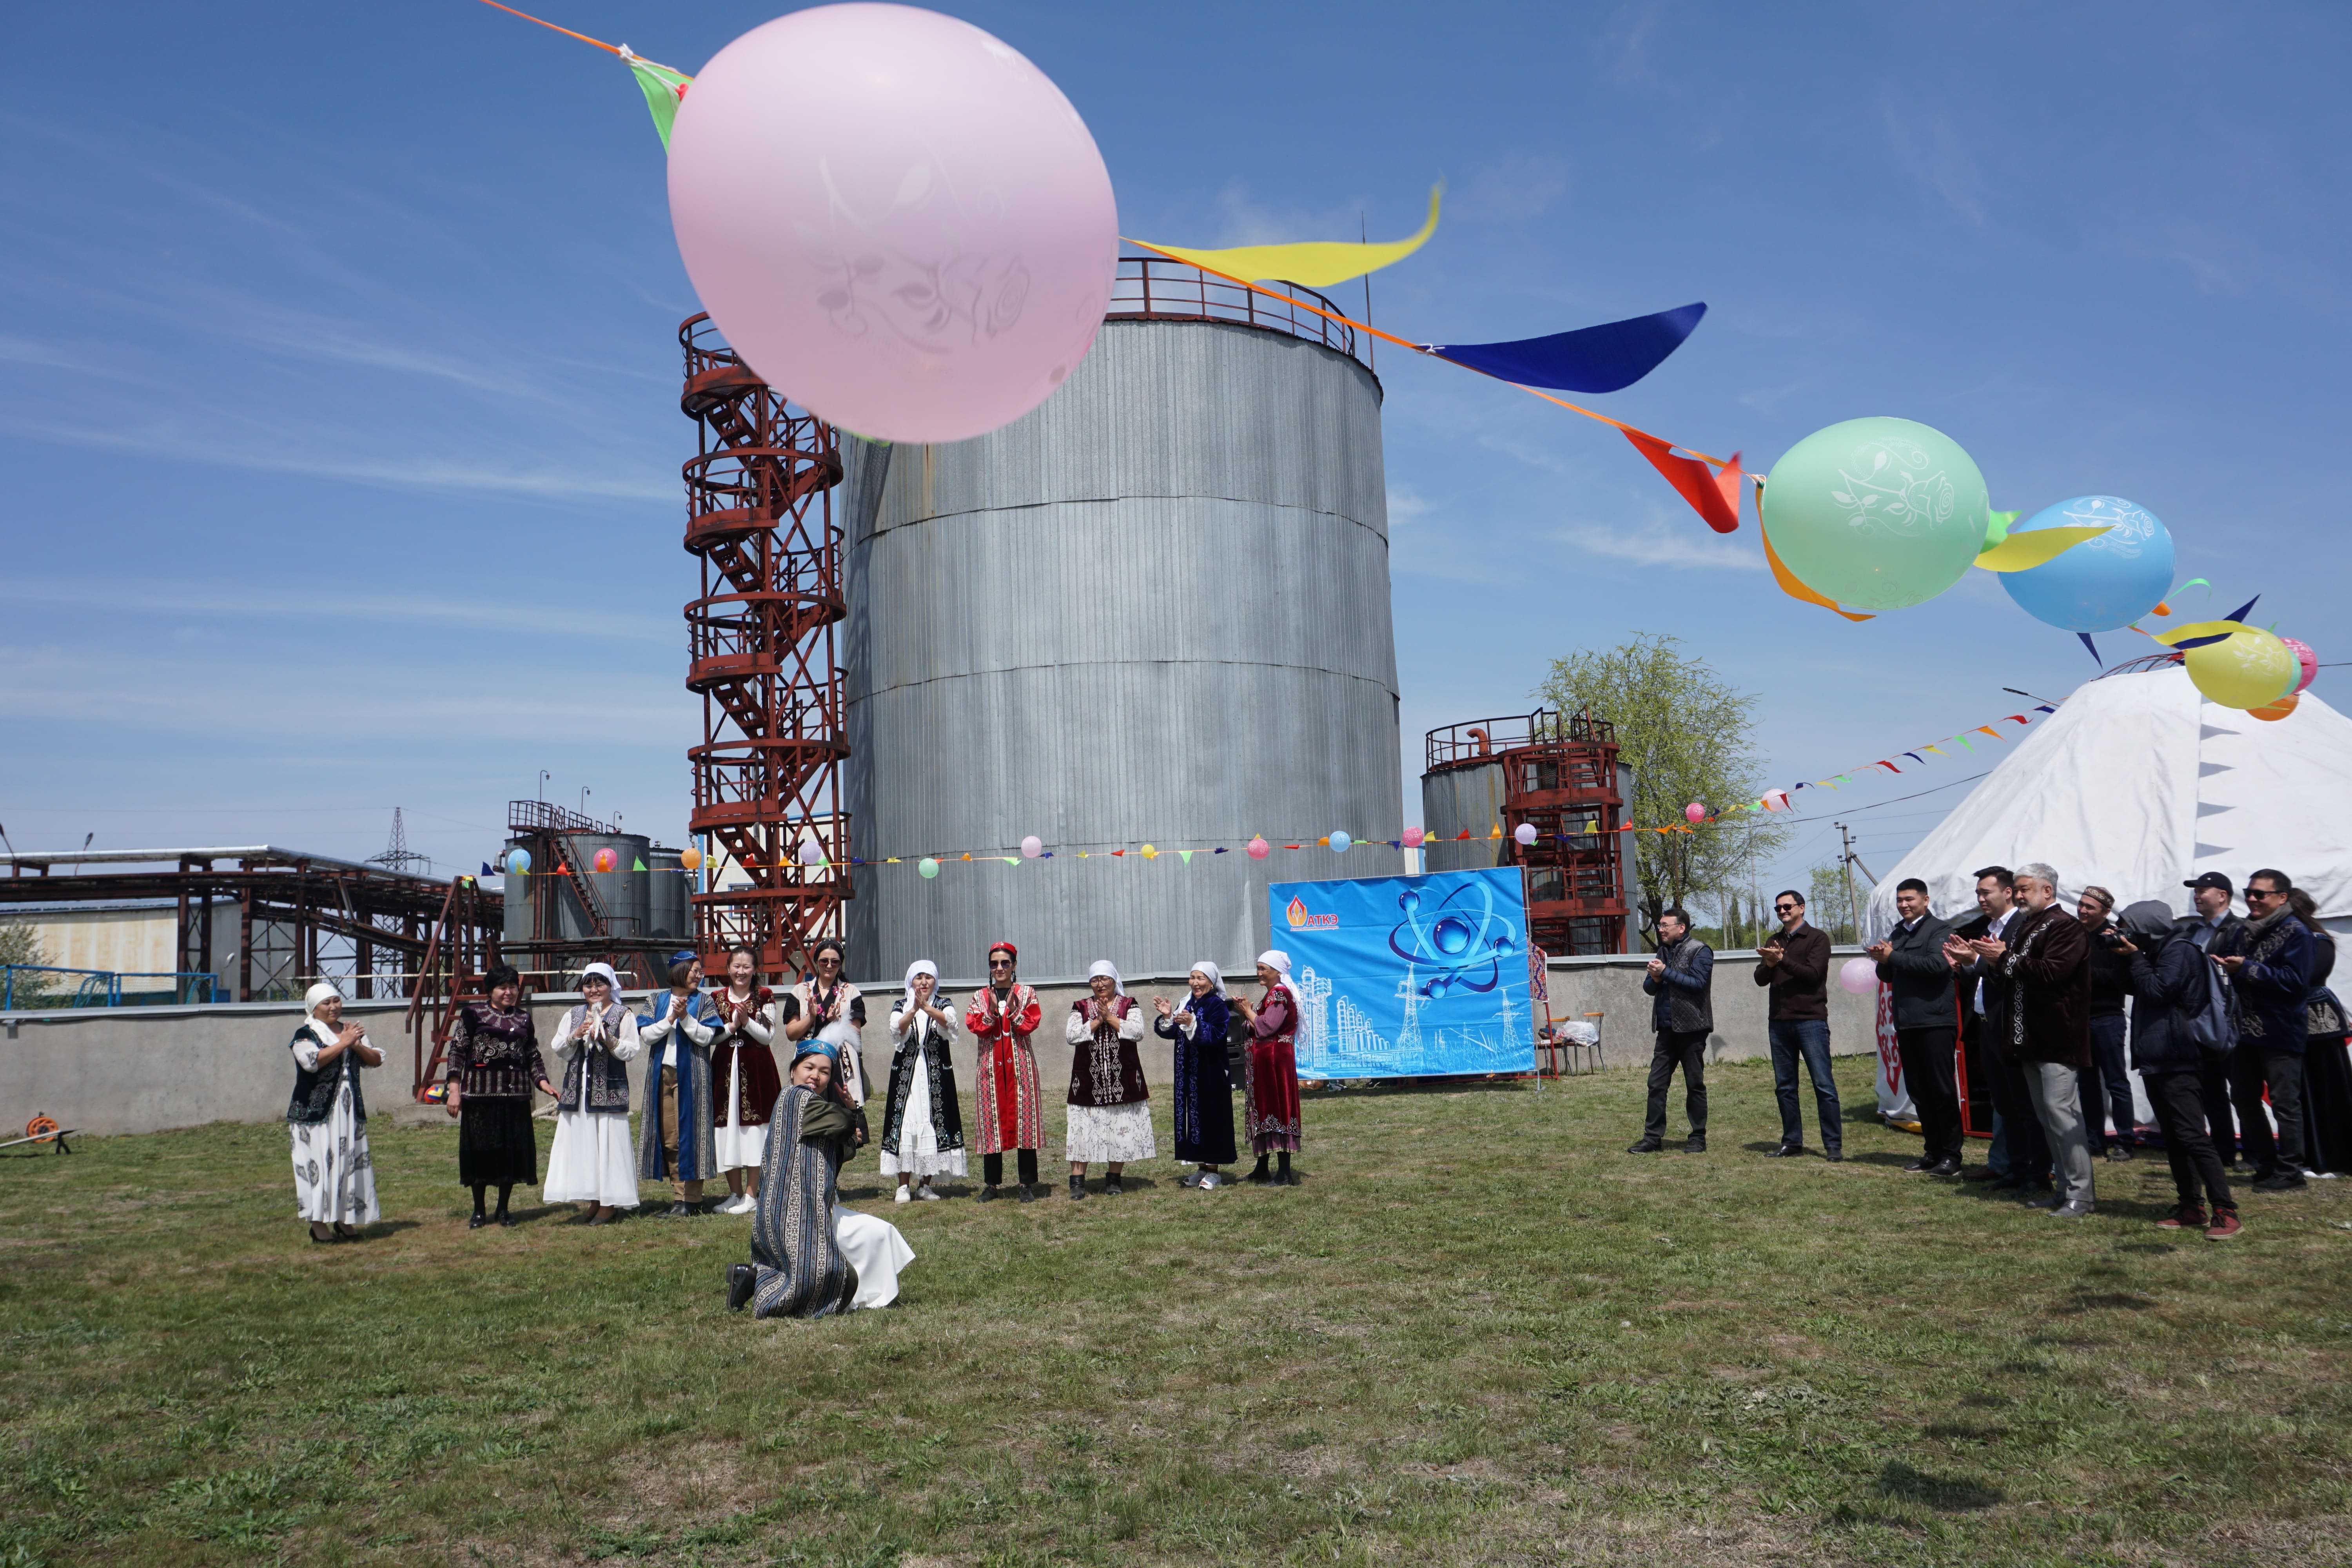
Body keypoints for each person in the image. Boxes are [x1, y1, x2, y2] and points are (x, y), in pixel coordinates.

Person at [727, 1040, 914, 1317]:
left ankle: (750, 1277)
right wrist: (848, 1120)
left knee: (877, 1233)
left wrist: (851, 1113)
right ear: (793, 1071)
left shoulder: (810, 1107)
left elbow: (850, 1145)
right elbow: (843, 1125)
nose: (816, 1076)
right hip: (796, 1213)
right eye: (810, 1067)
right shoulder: (796, 1098)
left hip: (800, 1207)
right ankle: (854, 1295)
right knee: (876, 1235)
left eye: (825, 1071)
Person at [1975, 863, 2096, 1217]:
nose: (2019, 895)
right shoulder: (2028, 926)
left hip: (2057, 1038)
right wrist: (1985, 961)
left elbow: (2054, 972)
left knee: (2063, 1116)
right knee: (2047, 1118)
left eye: (2025, 889)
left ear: (2047, 890)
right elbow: (2009, 975)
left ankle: (2081, 1194)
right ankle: (2064, 1190)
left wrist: (2003, 958)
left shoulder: (2065, 926)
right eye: (2017, 889)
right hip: (2027, 1039)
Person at [2115, 900, 2239, 1238]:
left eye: (2128, 927)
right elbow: (2134, 986)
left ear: (2146, 928)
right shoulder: (2157, 952)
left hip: (2180, 1057)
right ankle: (2190, 1206)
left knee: (2193, 1136)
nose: (2124, 933)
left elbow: (2158, 991)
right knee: (2174, 1137)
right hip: (2159, 1057)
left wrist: (2135, 958)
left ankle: (2225, 1211)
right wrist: (2124, 957)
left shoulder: (2179, 950)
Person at [1945, 867, 2046, 1191]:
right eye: (1978, 893)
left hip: (2011, 1026)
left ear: (2008, 892)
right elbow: (1983, 979)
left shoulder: (2022, 928)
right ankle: (2014, 1169)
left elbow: (2011, 976)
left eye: (1986, 892)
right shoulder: (1988, 929)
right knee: (2004, 1104)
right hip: (1987, 1025)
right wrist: (1964, 967)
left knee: (2024, 1104)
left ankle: (2037, 1172)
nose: (1980, 899)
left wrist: (1976, 961)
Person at [2220, 868, 2316, 1192]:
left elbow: (2297, 982)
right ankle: (2265, 1163)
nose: (2252, 899)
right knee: (2243, 1098)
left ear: (2282, 898)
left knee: (2284, 1103)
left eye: (2260, 894)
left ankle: (2291, 1171)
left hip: (2281, 1030)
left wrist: (2247, 968)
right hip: (2244, 1030)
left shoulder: (2298, 933)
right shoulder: (2242, 930)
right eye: (2249, 893)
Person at [443, 962, 555, 1229]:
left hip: (515, 1097)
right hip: (479, 1097)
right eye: (502, 987)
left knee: (511, 1154)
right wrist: (454, 1091)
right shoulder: (472, 1014)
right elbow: (458, 1051)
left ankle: (503, 1209)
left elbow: (532, 1054)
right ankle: (479, 1211)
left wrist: (543, 1083)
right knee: (481, 1153)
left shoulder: (524, 1019)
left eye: (513, 987)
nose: (509, 992)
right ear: (491, 990)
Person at [1867, 878, 1961, 1174]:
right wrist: (1882, 959)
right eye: (1900, 900)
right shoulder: (1898, 932)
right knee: (1919, 1091)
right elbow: (1887, 976)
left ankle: (1951, 1155)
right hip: (1907, 1022)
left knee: (1941, 1090)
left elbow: (1937, 966)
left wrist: (1893, 956)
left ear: (1926, 900)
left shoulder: (1940, 930)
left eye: (1910, 899)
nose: (1904, 905)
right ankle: (1932, 1152)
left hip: (1935, 1021)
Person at [545, 962, 642, 1224]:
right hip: (578, 1092)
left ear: (611, 986)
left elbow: (631, 1051)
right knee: (586, 1148)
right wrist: (577, 1034)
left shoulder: (623, 1014)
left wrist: (607, 1039)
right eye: (588, 985)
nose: (594, 990)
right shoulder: (574, 1014)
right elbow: (560, 1048)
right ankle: (594, 1201)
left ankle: (609, 1204)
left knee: (609, 1147)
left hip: (609, 1091)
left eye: (600, 984)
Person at [287, 981, 382, 1244]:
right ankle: (317, 1224)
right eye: (326, 1003)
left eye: (336, 1001)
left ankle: (344, 1219)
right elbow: (311, 1062)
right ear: (313, 1008)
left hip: (348, 1110)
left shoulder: (350, 1031)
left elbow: (376, 1059)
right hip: (314, 1114)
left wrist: (356, 1045)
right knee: (319, 1165)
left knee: (347, 1162)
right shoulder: (305, 1035)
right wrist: (344, 1043)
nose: (333, 1007)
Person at [1753, 889, 1839, 1160]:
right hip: (1779, 1023)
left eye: (1787, 907)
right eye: (1778, 908)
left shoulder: (1817, 938)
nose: (1782, 912)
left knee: (1823, 1085)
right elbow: (1760, 979)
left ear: (1801, 908)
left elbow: (1813, 975)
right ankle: (1792, 1143)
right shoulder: (1774, 940)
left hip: (1810, 1020)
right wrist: (1769, 964)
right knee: (1785, 1086)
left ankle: (1833, 1146)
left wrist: (1782, 960)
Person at [639, 951, 721, 1217]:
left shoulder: (705, 1001)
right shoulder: (656, 1000)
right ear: (679, 971)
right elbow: (647, 1036)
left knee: (693, 1135)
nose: (699, 976)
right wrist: (670, 1019)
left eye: (700, 971)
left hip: (694, 1076)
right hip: (662, 1075)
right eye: (694, 971)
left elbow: (706, 1038)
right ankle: (679, 1198)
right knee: (670, 1138)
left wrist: (685, 1017)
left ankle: (692, 1200)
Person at [1063, 960, 1154, 1198]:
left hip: (1122, 1080)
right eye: (1095, 980)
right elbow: (1072, 1036)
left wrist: (1111, 1018)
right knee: (1082, 1130)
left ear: (1114, 980)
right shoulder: (1080, 1006)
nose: (1100, 984)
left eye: (1105, 979)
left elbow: (1138, 1032)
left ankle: (1114, 1180)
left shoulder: (1129, 1004)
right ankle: (1077, 1183)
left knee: (1119, 1128)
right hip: (1088, 1080)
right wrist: (1097, 1021)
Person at [965, 940, 1045, 1202]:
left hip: (1021, 1068)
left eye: (1005, 963)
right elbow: (976, 1027)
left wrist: (1011, 1011)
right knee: (991, 1124)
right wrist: (991, 1012)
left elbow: (1030, 1024)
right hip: (990, 1069)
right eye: (994, 964)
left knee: (1025, 1123)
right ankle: (991, 1185)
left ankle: (1026, 1184)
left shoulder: (1027, 993)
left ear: (1014, 965)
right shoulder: (979, 997)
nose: (999, 968)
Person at [1628, 907, 1712, 1155]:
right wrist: (1655, 978)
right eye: (1660, 925)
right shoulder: (1663, 951)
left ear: (1681, 927)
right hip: (1666, 1030)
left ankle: (1698, 1138)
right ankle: (1652, 1138)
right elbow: (1649, 988)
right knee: (1656, 1085)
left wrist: (1665, 973)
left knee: (1694, 1084)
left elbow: (1698, 984)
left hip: (1693, 1029)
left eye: (1665, 925)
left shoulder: (1700, 950)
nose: (1661, 929)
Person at [881, 959, 966, 1203]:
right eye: (918, 977)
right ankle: (903, 1186)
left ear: (935, 981)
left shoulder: (944, 1004)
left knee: (933, 1121)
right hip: (906, 1076)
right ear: (911, 981)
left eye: (928, 977)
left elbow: (950, 1024)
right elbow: (897, 1030)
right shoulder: (901, 1006)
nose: (924, 982)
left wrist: (927, 1008)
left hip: (935, 1075)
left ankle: (925, 1186)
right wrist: (913, 1010)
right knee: (905, 1123)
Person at [710, 948, 785, 1216]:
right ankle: (735, 1193)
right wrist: (732, 1027)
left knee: (754, 1131)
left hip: (757, 1070)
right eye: (736, 966)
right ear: (728, 968)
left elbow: (768, 1036)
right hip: (724, 1069)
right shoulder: (716, 998)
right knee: (725, 1128)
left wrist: (746, 1022)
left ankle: (752, 1195)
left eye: (747, 967)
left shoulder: (765, 996)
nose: (741, 972)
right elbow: (711, 1036)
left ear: (755, 970)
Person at [2178, 871, 2246, 1166]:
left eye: (2202, 890)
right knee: (2211, 1091)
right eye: (2195, 891)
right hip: (2201, 1022)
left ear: (2222, 896)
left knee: (2242, 1091)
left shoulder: (2239, 930)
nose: (2197, 895)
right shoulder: (2193, 931)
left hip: (2230, 1022)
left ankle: (2256, 1154)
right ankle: (2224, 1151)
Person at [1155, 962, 1237, 1189]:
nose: (1195, 983)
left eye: (1201, 978)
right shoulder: (1186, 1002)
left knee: (1211, 1117)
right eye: (1192, 978)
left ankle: (1214, 1171)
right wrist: (1168, 1016)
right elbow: (1173, 1032)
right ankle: (1201, 1167)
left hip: (1211, 1072)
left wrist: (1194, 1023)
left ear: (1211, 982)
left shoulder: (1217, 1005)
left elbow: (1218, 1035)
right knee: (1192, 1118)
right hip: (1188, 1074)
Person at [2288, 889, 2352, 1174]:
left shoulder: (2318, 941)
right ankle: (2311, 1155)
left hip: (2321, 1024)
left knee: (2328, 1090)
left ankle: (2336, 1158)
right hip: (2294, 1025)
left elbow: (2306, 978)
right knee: (2303, 1091)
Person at [2076, 886, 2139, 1161]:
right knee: (2087, 1085)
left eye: (2090, 907)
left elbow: (2121, 979)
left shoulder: (2115, 938)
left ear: (2106, 912)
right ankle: (2094, 1141)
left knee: (2116, 1081)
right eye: (2081, 904)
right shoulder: (2074, 935)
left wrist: (2082, 973)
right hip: (2080, 1019)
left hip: (2108, 1017)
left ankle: (2125, 1141)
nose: (2082, 910)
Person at [1234, 949, 1304, 1185]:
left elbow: (1267, 1027)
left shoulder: (1279, 994)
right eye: (1258, 968)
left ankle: (1284, 1173)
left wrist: (1248, 1012)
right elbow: (1255, 1027)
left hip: (1275, 1064)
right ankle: (1262, 1167)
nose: (1259, 973)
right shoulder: (1271, 995)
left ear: (1278, 972)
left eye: (1264, 969)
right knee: (1264, 1110)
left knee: (1277, 1109)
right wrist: (1249, 1015)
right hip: (1266, 1063)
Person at [790, 938, 868, 1111]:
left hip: (840, 1060)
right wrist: (810, 1018)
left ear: (841, 964)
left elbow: (856, 1033)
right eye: (824, 961)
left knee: (841, 1108)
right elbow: (791, 1033)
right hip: (809, 1058)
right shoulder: (800, 991)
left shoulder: (851, 992)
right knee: (807, 1108)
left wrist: (836, 1022)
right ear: (817, 962)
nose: (829, 966)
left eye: (835, 962)